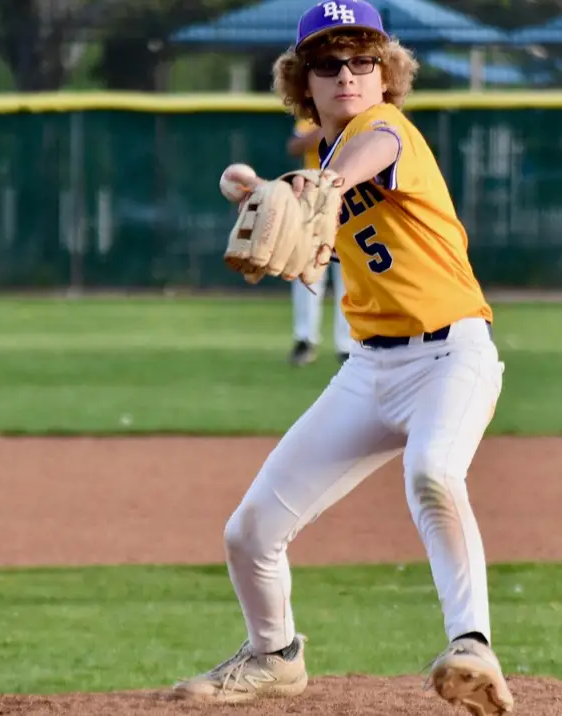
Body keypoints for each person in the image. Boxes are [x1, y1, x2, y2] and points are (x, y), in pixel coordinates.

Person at [172, 2, 513, 715]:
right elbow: (322, 200)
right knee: (250, 533)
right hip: (369, 370)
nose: (349, 75)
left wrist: (318, 183)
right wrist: (273, 190)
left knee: (433, 473)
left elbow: (372, 151)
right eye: (329, 64)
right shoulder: (323, 164)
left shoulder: (386, 132)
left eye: (365, 60)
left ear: (387, 74)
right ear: (303, 83)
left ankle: (473, 646)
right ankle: (273, 656)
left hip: (452, 356)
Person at [286, 116, 352, 366]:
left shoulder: (358, 116)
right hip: (314, 201)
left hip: (348, 201)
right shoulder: (313, 117)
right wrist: (327, 130)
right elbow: (294, 145)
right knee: (308, 270)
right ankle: (305, 339)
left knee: (348, 275)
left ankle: (347, 345)